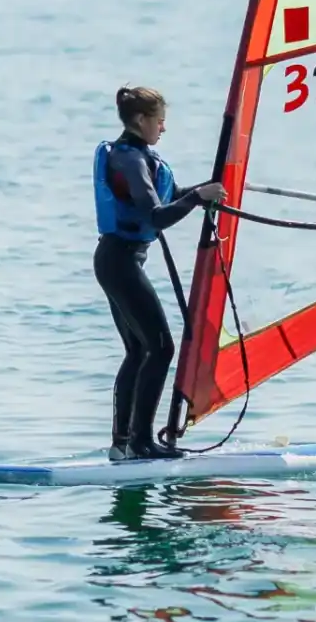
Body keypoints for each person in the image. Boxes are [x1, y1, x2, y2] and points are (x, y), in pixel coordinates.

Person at [93, 87, 225, 460]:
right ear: (140, 120)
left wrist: (204, 191)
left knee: (138, 350)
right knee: (160, 347)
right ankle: (140, 443)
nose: (163, 127)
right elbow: (156, 215)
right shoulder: (130, 160)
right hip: (119, 261)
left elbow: (169, 196)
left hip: (117, 260)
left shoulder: (137, 158)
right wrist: (198, 200)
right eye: (159, 119)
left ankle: (123, 444)